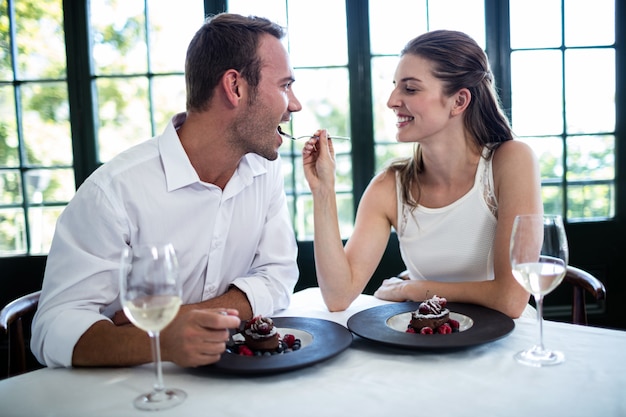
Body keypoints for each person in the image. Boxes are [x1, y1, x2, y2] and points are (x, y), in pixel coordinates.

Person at [31, 13, 302, 369]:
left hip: (233, 378)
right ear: (235, 87)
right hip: (129, 393)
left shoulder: (264, 171)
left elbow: (277, 275)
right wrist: (156, 344)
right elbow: (53, 328)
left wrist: (180, 319)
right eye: (285, 86)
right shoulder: (113, 192)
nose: (294, 104)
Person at [302, 30, 541, 319]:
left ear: (459, 101)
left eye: (410, 89)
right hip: (428, 339)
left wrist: (415, 290)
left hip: (507, 345)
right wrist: (323, 191)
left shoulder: (511, 161)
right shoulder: (390, 186)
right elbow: (338, 296)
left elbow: (510, 298)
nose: (392, 100)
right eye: (395, 87)